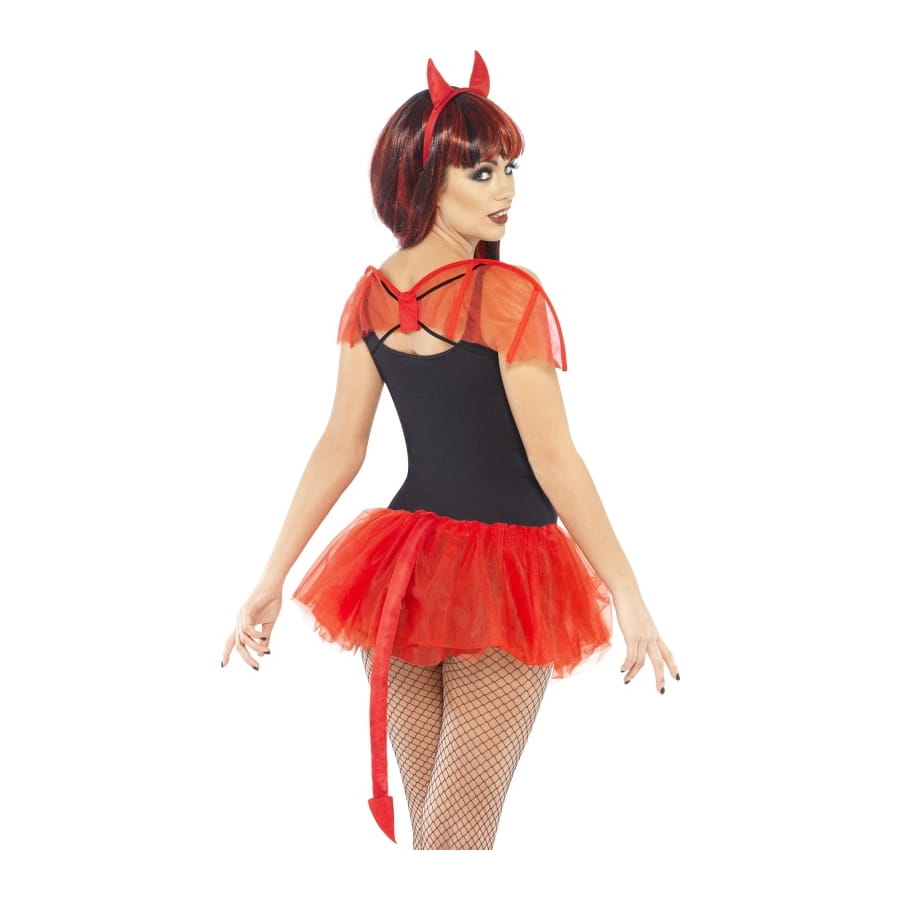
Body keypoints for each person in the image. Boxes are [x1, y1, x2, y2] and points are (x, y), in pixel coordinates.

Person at [221, 51, 680, 851]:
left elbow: (339, 446)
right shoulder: (506, 295)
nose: (506, 191)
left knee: (439, 837)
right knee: (455, 838)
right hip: (505, 578)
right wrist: (627, 592)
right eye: (482, 172)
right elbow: (554, 460)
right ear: (428, 180)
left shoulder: (372, 295)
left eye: (509, 169)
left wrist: (274, 575)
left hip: (402, 576)